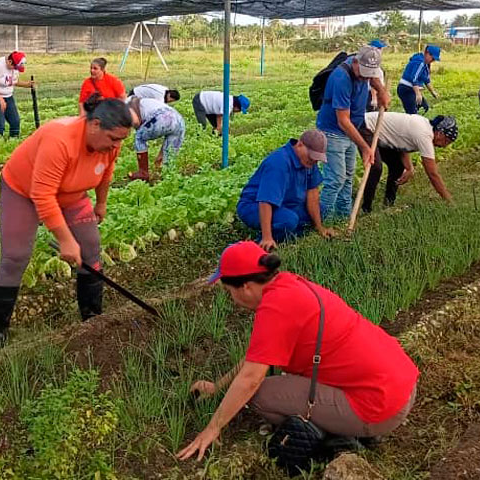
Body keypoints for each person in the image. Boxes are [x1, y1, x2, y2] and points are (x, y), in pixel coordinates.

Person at [177, 241, 419, 462]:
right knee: (280, 383)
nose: (231, 299)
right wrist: (218, 387)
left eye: (229, 292)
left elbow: (251, 379)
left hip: (378, 409)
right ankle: (344, 424)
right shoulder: (289, 285)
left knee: (261, 395)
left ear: (246, 287)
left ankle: (335, 439)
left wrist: (212, 428)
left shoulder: (276, 308)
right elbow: (258, 357)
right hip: (399, 387)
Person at [0, 97, 133, 349]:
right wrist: (65, 240)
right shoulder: (60, 140)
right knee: (16, 256)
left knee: (90, 248)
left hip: (72, 194)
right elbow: (42, 195)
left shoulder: (110, 144)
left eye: (121, 140)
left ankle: (92, 319)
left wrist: (101, 203)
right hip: (22, 190)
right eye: (114, 139)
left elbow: (106, 172)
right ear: (95, 124)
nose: (117, 145)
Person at [316, 45, 391, 219]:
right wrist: (365, 147)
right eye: (363, 71)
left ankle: (343, 217)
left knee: (348, 176)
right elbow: (343, 121)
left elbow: (373, 79)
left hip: (351, 130)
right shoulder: (341, 78)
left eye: (370, 72)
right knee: (335, 179)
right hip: (333, 131)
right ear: (355, 61)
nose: (366, 76)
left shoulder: (366, 72)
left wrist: (381, 91)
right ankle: (323, 222)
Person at [236, 130, 336, 251]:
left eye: (317, 158)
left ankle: (289, 232)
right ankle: (261, 242)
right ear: (299, 145)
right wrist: (267, 237)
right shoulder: (278, 163)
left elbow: (313, 194)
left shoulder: (309, 162)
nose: (314, 161)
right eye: (311, 156)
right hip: (254, 205)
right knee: (289, 220)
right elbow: (265, 200)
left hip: (287, 204)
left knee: (322, 210)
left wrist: (319, 228)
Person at [360, 113, 456, 212]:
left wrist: (409, 168)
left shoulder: (424, 127)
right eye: (446, 141)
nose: (444, 146)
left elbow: (402, 143)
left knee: (397, 166)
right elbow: (432, 173)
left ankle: (388, 204)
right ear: (439, 133)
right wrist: (448, 200)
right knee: (375, 167)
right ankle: (366, 209)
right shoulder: (425, 135)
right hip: (366, 126)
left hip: (381, 136)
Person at [127, 97, 186, 181]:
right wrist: (161, 154)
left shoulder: (126, 105)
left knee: (139, 137)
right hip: (179, 120)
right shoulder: (142, 101)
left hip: (162, 116)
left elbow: (135, 121)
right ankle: (169, 180)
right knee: (169, 161)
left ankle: (143, 172)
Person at [0, 51, 34, 138]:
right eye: (15, 67)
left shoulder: (15, 68)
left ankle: (13, 143)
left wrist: (27, 85)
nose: (15, 69)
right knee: (0, 124)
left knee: (15, 122)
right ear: (9, 61)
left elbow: (13, 81)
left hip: (8, 96)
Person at [397, 45, 441, 115]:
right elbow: (414, 78)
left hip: (411, 89)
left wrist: (433, 92)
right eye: (432, 59)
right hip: (406, 89)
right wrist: (418, 94)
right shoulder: (420, 62)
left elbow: (426, 79)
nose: (433, 61)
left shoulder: (425, 64)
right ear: (427, 53)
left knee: (424, 108)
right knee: (413, 114)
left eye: (434, 60)